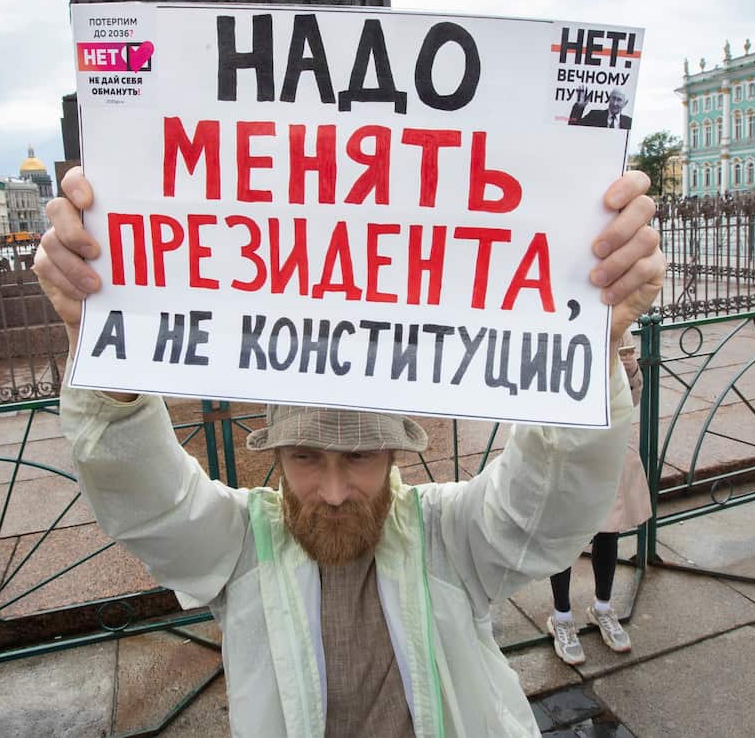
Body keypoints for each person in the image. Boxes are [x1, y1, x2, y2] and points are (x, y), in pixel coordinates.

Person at [35, 167, 666, 737]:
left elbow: (551, 501)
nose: (333, 492)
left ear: (394, 458)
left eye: (359, 458)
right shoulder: (239, 546)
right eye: (307, 458)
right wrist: (102, 362)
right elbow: (148, 497)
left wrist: (589, 347)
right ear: (275, 459)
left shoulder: (447, 534)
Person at [546, 330, 653, 665]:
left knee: (609, 529)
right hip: (569, 447)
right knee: (564, 535)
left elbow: (634, 397)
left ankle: (602, 608)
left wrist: (628, 365)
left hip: (608, 446)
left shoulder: (616, 327)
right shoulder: (554, 327)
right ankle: (561, 617)